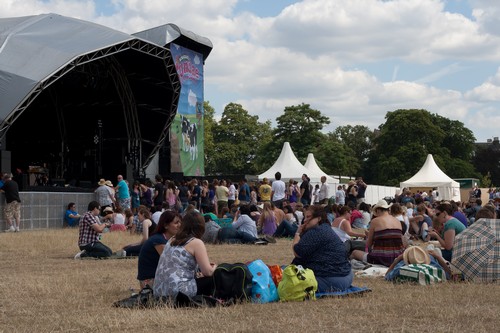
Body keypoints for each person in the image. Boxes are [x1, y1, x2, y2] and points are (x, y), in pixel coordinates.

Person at [153, 211, 217, 299]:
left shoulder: (172, 239)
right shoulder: (196, 242)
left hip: (159, 291)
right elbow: (208, 272)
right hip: (178, 292)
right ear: (201, 226)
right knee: (216, 279)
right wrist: (214, 268)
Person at [292, 205, 353, 292]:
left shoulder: (315, 232)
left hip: (334, 280)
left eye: (308, 217)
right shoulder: (326, 228)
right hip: (347, 275)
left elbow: (297, 252)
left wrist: (297, 234)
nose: (305, 220)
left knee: (287, 277)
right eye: (305, 217)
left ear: (318, 218)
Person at [351, 200, 405, 267]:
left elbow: (369, 244)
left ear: (378, 210)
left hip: (381, 258)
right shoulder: (398, 221)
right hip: (398, 258)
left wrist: (368, 237)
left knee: (354, 253)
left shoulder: (375, 221)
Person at [137, 210, 181, 289]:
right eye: (176, 223)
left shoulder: (165, 239)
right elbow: (172, 263)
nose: (179, 225)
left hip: (155, 278)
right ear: (166, 225)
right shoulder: (158, 240)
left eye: (180, 222)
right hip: (149, 281)